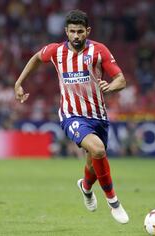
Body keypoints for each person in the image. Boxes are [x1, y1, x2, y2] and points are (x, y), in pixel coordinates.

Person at [14, 9, 129, 224]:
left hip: (98, 116)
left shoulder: (98, 51)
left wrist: (111, 87)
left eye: (80, 31)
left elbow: (121, 79)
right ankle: (114, 202)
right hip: (71, 114)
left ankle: (85, 188)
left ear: (88, 31)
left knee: (93, 162)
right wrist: (19, 83)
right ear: (66, 31)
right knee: (98, 150)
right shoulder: (56, 52)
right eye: (72, 31)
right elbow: (36, 58)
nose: (76, 36)